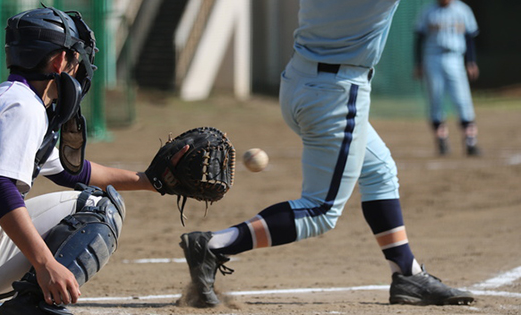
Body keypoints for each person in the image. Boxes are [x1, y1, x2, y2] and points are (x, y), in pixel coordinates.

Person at [179, 0, 475, 308]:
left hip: (299, 80)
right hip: (336, 94)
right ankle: (213, 245)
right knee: (321, 209)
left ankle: (407, 273)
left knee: (379, 170)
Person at [0, 7, 187, 315]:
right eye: (76, 58)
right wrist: (45, 264)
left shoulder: (9, 99)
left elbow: (75, 173)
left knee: (87, 198)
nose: (79, 66)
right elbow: (0, 187)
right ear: (60, 61)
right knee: (98, 207)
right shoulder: (24, 108)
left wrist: (151, 182)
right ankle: (31, 308)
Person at [414, 0, 481, 156]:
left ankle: (470, 141)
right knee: (435, 99)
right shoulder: (427, 10)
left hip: (455, 57)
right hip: (432, 58)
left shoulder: (463, 10)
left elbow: (470, 38)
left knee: (462, 99)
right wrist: (418, 63)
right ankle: (441, 141)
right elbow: (419, 38)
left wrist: (471, 61)